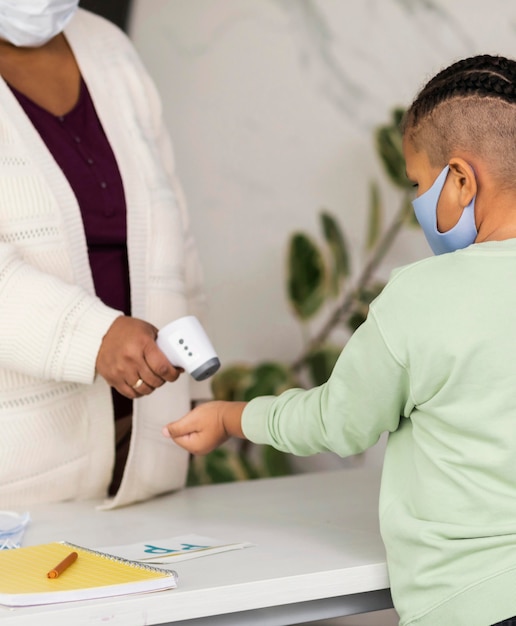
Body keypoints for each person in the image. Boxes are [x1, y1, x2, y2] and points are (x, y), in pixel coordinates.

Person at [163, 54, 516, 626]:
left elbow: (338, 421)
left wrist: (233, 418)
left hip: (469, 604)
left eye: (417, 185)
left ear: (460, 179)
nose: (418, 202)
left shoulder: (421, 296)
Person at [0, 0, 210, 509]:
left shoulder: (107, 46)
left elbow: (172, 225)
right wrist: (93, 337)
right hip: (21, 472)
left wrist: (198, 389)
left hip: (145, 447)